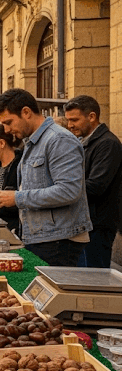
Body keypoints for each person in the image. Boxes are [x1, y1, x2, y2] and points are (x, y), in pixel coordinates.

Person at [0, 89, 93, 267]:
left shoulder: (59, 139)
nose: (6, 130)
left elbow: (69, 191)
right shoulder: (33, 141)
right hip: (43, 238)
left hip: (59, 241)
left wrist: (17, 197)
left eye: (8, 122)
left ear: (26, 112)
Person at [63, 95, 122, 268]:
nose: (70, 125)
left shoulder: (108, 144)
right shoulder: (84, 142)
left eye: (74, 119)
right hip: (85, 223)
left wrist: (62, 190)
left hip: (98, 224)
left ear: (92, 116)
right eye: (68, 120)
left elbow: (97, 185)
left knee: (94, 278)